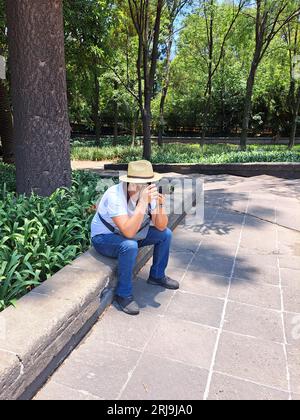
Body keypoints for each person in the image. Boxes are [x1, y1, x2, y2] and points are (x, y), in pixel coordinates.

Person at [91, 160, 179, 315]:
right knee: (129, 245)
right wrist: (143, 203)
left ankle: (157, 276)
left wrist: (159, 205)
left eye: (148, 182)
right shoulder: (114, 195)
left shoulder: (148, 194)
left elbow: (161, 226)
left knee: (165, 235)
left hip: (130, 233)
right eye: (139, 183)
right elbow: (129, 233)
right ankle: (123, 294)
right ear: (130, 182)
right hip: (104, 238)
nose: (144, 186)